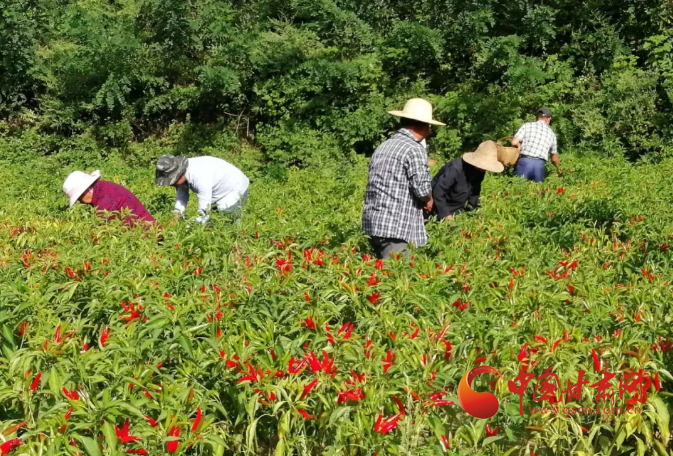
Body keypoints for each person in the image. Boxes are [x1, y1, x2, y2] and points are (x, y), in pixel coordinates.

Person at [362, 98, 445, 259]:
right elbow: (421, 187)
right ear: (424, 126)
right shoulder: (414, 149)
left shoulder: (384, 146)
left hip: (374, 223)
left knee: (382, 276)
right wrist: (429, 199)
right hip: (395, 227)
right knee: (400, 277)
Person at [155, 155, 249, 224]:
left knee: (226, 217)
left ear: (179, 174)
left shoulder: (200, 176)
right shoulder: (183, 173)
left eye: (172, 181)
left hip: (236, 187)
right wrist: (177, 214)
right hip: (219, 189)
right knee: (215, 218)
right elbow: (181, 195)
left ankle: (237, 237)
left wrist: (191, 225)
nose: (172, 185)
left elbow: (204, 211)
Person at [431, 141, 504, 221]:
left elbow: (475, 190)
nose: (484, 169)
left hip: (457, 208)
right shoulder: (456, 168)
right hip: (437, 207)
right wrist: (446, 214)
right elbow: (438, 190)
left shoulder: (480, 171)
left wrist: (473, 210)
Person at [62, 170, 157, 227]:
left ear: (87, 190)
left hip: (148, 237)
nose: (80, 202)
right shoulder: (103, 188)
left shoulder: (105, 201)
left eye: (79, 197)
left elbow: (105, 231)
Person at [511, 107, 561, 183]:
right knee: (536, 192)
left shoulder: (527, 126)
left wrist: (519, 145)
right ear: (548, 119)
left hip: (525, 162)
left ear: (538, 117)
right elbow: (554, 158)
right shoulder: (552, 134)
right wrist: (559, 169)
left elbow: (514, 142)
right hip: (539, 166)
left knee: (518, 190)